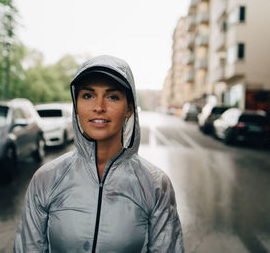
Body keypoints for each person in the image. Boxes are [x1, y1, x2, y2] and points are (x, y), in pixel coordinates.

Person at [14, 55, 184, 252]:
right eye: (88, 95)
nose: (99, 107)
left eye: (112, 97)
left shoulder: (155, 185)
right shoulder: (46, 179)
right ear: (76, 105)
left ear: (129, 108)